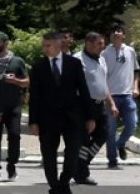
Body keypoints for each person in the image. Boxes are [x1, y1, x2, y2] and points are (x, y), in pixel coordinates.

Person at [27, 31, 93, 194]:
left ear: (58, 45)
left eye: (48, 45)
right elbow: (34, 96)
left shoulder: (74, 63)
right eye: (44, 45)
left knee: (73, 152)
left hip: (72, 118)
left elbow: (84, 90)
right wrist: (33, 121)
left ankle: (63, 182)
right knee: (48, 155)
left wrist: (90, 117)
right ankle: (55, 186)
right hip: (47, 119)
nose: (45, 49)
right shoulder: (38, 67)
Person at [72, 32, 117, 187]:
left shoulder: (102, 60)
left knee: (102, 135)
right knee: (84, 141)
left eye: (102, 43)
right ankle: (82, 174)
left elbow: (103, 84)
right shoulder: (78, 60)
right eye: (99, 44)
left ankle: (79, 165)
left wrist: (111, 103)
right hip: (83, 105)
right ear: (88, 44)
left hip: (99, 105)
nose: (102, 47)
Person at [0, 32, 27, 182]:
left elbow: (26, 81)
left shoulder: (17, 61)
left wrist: (16, 80)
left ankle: (12, 165)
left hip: (13, 106)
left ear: (5, 43)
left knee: (15, 135)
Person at [104, 24, 139, 170]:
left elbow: (136, 71)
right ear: (111, 36)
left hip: (127, 95)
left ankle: (120, 144)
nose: (116, 33)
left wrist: (135, 87)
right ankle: (112, 159)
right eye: (114, 31)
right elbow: (101, 74)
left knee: (132, 124)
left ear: (123, 35)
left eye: (119, 31)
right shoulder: (105, 52)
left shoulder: (130, 51)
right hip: (111, 96)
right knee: (110, 130)